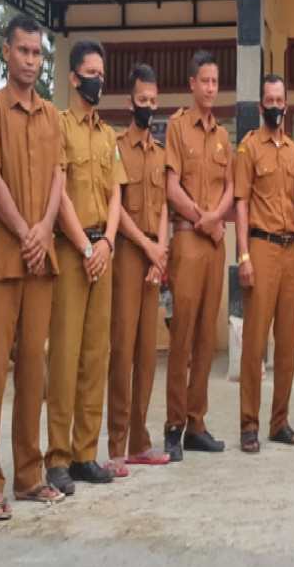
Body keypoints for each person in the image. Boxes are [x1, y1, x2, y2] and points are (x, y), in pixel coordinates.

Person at [0, 14, 66, 522]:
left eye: (38, 53)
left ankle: (29, 475)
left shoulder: (52, 115)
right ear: (6, 52)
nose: (31, 60)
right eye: (23, 51)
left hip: (40, 259)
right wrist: (25, 231)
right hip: (6, 260)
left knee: (34, 369)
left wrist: (44, 228)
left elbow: (58, 178)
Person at [45, 39, 127, 494]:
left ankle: (84, 454)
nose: (98, 79)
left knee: (97, 355)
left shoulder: (107, 135)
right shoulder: (59, 127)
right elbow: (56, 193)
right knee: (65, 356)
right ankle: (56, 457)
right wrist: (83, 246)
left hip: (104, 253)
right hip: (72, 252)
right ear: (74, 77)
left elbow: (116, 193)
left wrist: (109, 243)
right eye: (90, 72)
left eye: (102, 72)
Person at [235, 74, 294, 453]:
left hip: (288, 251)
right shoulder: (249, 149)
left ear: (287, 104)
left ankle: (279, 421)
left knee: (287, 344)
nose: (276, 105)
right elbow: (240, 203)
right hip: (261, 249)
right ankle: (249, 424)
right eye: (270, 99)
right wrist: (244, 256)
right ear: (259, 105)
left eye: (281, 99)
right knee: (255, 342)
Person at [163, 50, 234, 458]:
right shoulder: (176, 127)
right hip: (189, 239)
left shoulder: (223, 136)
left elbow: (229, 188)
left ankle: (197, 422)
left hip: (214, 243)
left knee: (207, 337)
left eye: (215, 82)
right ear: (192, 83)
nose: (210, 88)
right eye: (204, 81)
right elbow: (171, 186)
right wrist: (203, 218)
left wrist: (215, 217)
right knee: (183, 335)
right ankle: (173, 424)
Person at [107, 64, 171, 469]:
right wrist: (148, 247)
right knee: (123, 352)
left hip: (153, 257)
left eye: (153, 101)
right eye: (141, 101)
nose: (147, 107)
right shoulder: (117, 147)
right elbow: (117, 205)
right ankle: (115, 447)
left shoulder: (161, 153)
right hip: (129, 254)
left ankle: (140, 440)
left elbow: (164, 205)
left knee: (148, 353)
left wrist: (161, 251)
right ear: (130, 103)